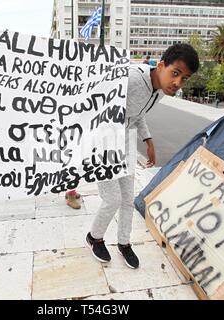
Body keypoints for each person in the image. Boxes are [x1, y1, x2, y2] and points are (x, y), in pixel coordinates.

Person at [85, 43, 200, 269]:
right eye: (175, 73)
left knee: (128, 198)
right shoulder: (132, 79)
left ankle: (124, 242)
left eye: (184, 78)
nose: (177, 83)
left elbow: (137, 114)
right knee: (112, 199)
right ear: (160, 66)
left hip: (125, 142)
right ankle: (94, 237)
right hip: (103, 140)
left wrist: (148, 140)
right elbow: (93, 99)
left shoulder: (159, 91)